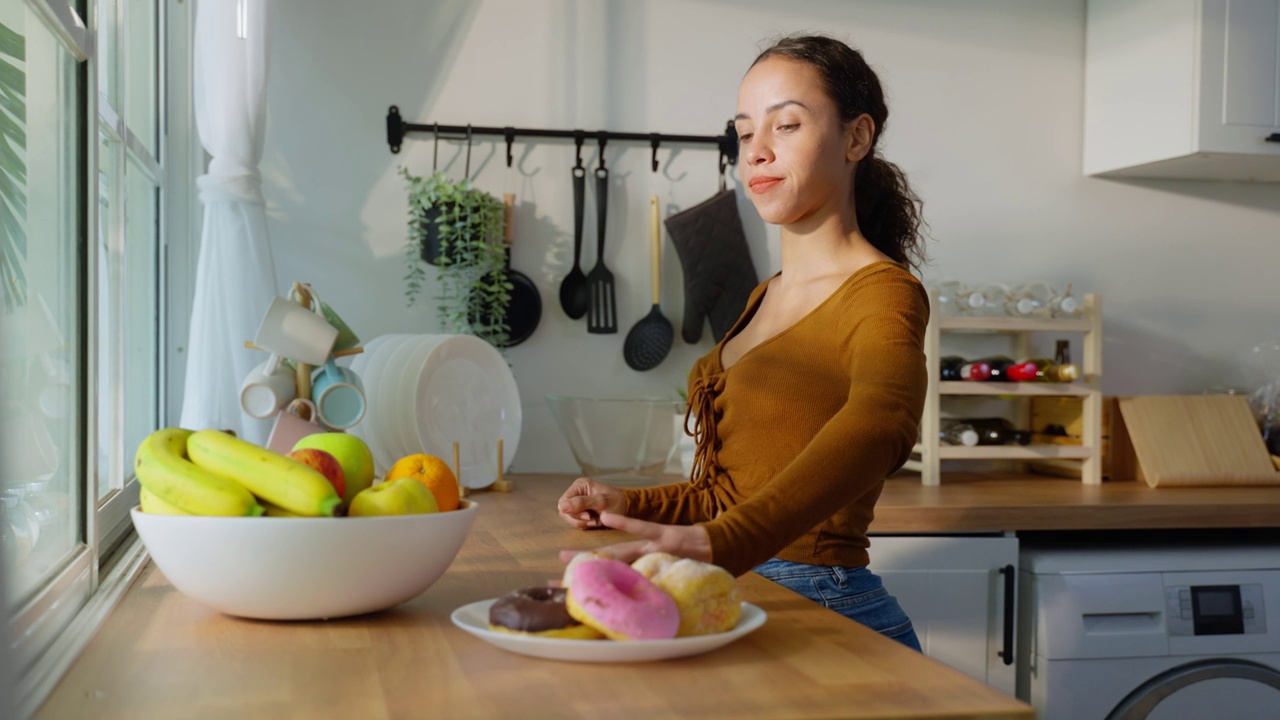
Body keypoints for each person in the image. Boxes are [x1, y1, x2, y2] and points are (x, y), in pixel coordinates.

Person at [557, 34, 929, 650]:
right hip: (735, 585)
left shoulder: (883, 293)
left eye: (786, 125)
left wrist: (723, 543)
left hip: (819, 603)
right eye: (744, 131)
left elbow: (882, 420)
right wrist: (632, 502)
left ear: (856, 138)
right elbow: (728, 496)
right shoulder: (764, 297)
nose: (756, 152)